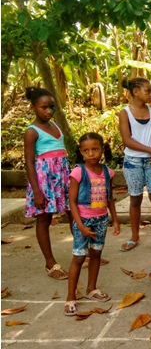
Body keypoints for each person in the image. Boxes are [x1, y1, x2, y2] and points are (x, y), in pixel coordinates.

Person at [65, 133, 119, 315]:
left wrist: (115, 220)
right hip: (84, 220)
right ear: (81, 152)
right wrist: (79, 225)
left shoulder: (107, 172)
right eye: (86, 150)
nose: (91, 153)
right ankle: (70, 297)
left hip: (101, 219)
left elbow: (110, 198)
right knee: (79, 257)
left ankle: (91, 289)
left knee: (96, 253)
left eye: (95, 149)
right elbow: (72, 201)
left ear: (102, 150)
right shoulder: (78, 172)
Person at [23, 87, 71, 280]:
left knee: (73, 213)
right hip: (44, 179)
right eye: (44, 107)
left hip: (62, 176)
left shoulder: (56, 126)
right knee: (44, 218)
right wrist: (36, 191)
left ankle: (81, 252)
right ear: (34, 107)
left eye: (52, 107)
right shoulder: (31, 131)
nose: (49, 111)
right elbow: (28, 161)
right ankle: (50, 263)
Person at [118, 77, 151, 252]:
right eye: (148, 91)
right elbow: (127, 140)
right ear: (135, 92)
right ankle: (134, 236)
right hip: (133, 162)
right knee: (135, 198)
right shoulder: (125, 113)